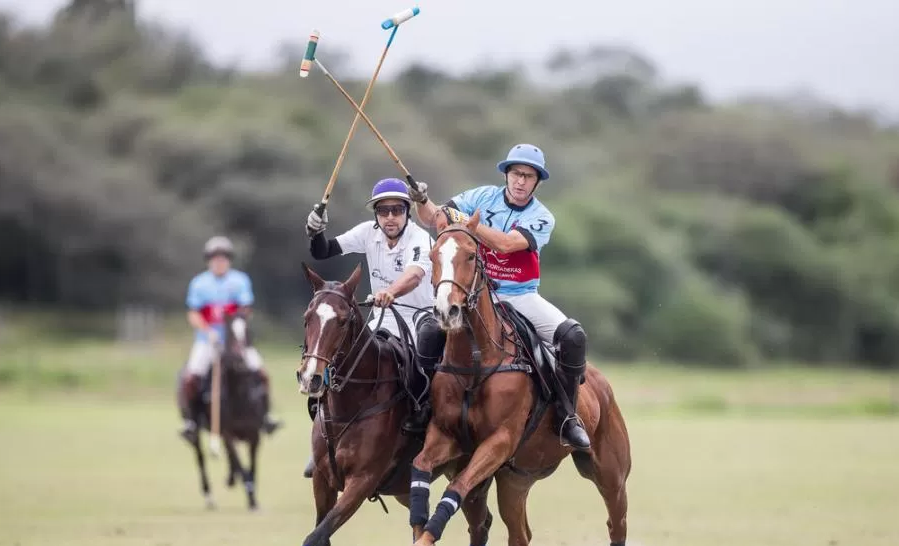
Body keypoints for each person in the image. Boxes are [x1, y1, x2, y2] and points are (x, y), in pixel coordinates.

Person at [402, 144, 592, 451]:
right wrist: (422, 201)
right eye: (516, 174)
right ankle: (422, 405)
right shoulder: (479, 196)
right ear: (507, 175)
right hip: (473, 294)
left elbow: (505, 245)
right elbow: (435, 219)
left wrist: (466, 222)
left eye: (528, 176)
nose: (520, 181)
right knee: (427, 331)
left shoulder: (542, 217)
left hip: (519, 295)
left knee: (572, 336)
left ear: (537, 182)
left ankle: (568, 416)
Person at [301, 178, 436, 476]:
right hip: (380, 315)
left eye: (397, 210)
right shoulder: (367, 233)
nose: (390, 217)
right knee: (339, 361)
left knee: (420, 365)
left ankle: (421, 421)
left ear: (407, 212)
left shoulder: (419, 238)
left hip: (418, 315)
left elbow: (414, 275)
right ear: (376, 213)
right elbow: (324, 251)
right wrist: (316, 232)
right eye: (383, 210)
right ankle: (324, 438)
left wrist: (391, 292)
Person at [177, 236, 282, 445]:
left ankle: (266, 416)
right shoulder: (199, 283)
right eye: (215, 258)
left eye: (223, 257)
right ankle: (191, 421)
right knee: (191, 376)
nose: (219, 261)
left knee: (260, 372)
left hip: (235, 342)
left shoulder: (240, 281)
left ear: (229, 260)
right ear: (209, 260)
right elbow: (193, 314)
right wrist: (208, 332)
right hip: (207, 341)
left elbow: (246, 309)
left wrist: (235, 327)